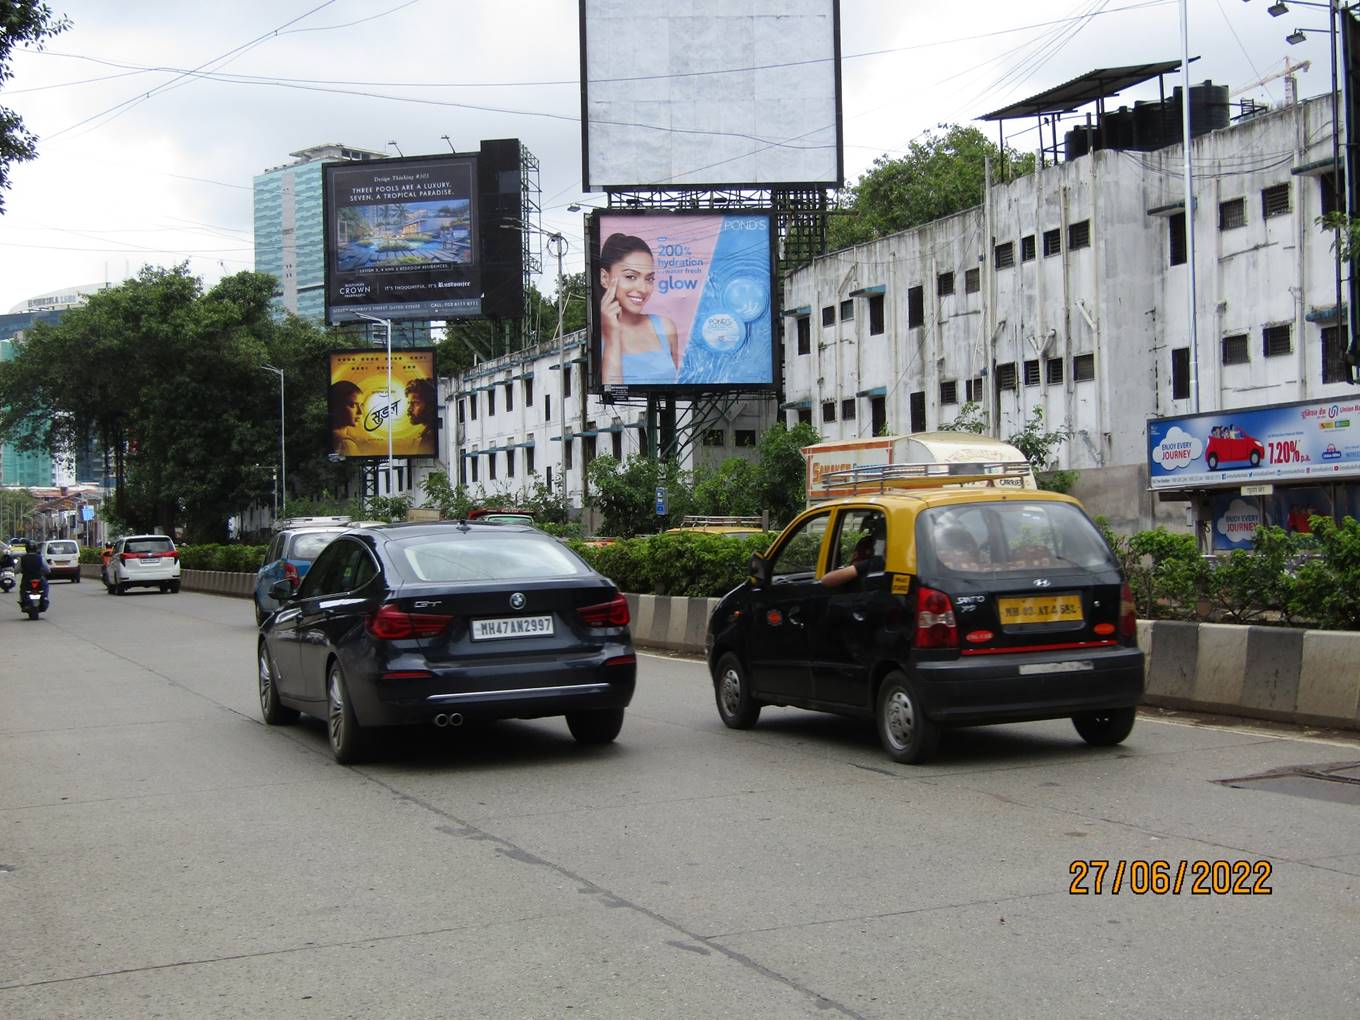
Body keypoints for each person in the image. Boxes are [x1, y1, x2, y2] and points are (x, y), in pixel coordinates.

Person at [597, 233, 681, 386]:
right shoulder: (596, 339)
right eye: (630, 277)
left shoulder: (665, 327)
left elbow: (677, 388)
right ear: (605, 278)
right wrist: (612, 339)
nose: (643, 289)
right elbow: (612, 391)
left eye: (649, 279)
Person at [329, 381, 365, 456]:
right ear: (336, 405)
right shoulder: (346, 444)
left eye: (361, 405)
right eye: (353, 405)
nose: (360, 412)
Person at [405, 377, 437, 449]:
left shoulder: (430, 437)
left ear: (429, 404)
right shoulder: (425, 434)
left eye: (415, 403)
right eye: (409, 403)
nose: (409, 409)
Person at [18, 544, 50, 610]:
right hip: (39, 578)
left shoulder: (22, 558)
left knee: (22, 589)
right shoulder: (40, 557)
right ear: (36, 549)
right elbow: (47, 569)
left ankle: (23, 600)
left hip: (27, 579)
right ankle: (45, 598)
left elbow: (16, 570)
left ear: (26, 549)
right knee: (45, 587)